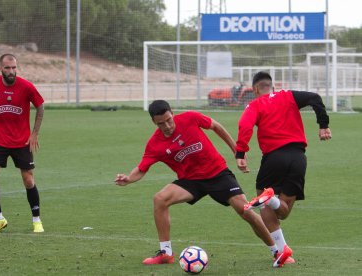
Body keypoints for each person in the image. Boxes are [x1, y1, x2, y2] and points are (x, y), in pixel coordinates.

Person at [114, 100, 292, 267]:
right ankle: (166, 253)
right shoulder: (155, 144)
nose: (167, 126)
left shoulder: (190, 118)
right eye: (161, 123)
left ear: (172, 113)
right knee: (160, 199)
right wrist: (128, 179)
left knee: (245, 210)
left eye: (169, 120)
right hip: (191, 181)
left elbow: (216, 126)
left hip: (217, 173)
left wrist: (237, 151)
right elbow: (142, 168)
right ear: (154, 122)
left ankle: (277, 251)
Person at [236, 71, 332, 265]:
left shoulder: (254, 104)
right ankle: (284, 254)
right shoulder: (288, 95)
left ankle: (270, 204)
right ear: (272, 86)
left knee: (266, 205)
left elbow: (245, 125)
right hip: (298, 158)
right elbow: (315, 98)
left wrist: (240, 153)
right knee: (283, 212)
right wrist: (323, 125)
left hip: (273, 159)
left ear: (255, 89)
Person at [0, 54, 45, 233]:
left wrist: (34, 133)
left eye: (14, 68)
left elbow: (40, 106)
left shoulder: (26, 86)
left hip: (22, 141)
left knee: (28, 180)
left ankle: (36, 220)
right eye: (7, 68)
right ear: (1, 69)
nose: (11, 71)